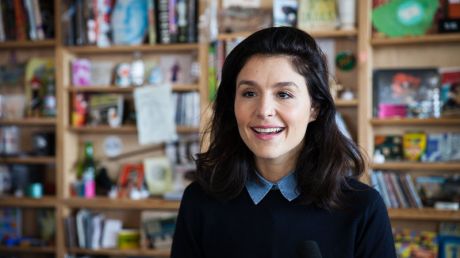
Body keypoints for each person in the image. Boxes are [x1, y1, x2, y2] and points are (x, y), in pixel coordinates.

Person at [171, 27, 396, 258]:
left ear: (314, 108)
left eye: (284, 94)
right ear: (232, 105)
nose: (264, 111)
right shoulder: (199, 200)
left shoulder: (362, 207)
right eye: (249, 93)